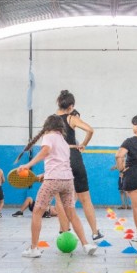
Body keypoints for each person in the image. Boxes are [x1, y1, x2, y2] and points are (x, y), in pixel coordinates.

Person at [16, 115, 97, 257]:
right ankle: (86, 244)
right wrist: (44, 174)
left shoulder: (49, 136)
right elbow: (60, 162)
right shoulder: (64, 142)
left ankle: (34, 249)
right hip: (67, 181)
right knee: (71, 213)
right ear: (62, 127)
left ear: (48, 127)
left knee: (37, 212)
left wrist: (28, 165)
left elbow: (46, 151)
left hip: (53, 180)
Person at [56, 90, 103, 241]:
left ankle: (64, 233)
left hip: (59, 159)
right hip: (74, 156)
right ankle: (95, 232)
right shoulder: (72, 118)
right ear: (71, 106)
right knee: (85, 199)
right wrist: (83, 144)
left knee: (60, 200)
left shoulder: (51, 120)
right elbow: (90, 130)